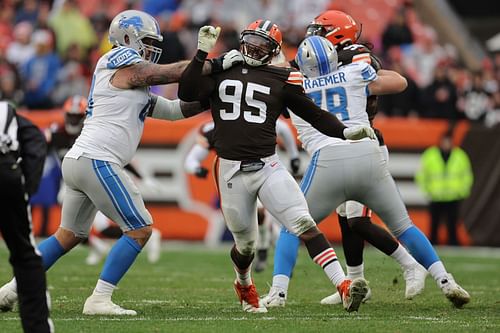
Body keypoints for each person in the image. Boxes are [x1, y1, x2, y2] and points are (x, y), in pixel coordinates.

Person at [0, 9, 238, 316]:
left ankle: (10, 290)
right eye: (148, 41)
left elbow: (176, 110)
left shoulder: (133, 83)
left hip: (81, 160)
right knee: (139, 229)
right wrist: (213, 64)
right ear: (127, 38)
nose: (152, 48)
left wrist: (215, 95)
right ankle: (99, 298)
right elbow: (162, 74)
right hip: (97, 159)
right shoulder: (118, 60)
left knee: (67, 236)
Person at [178, 21, 376, 313]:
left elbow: (315, 114)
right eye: (251, 41)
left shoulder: (283, 77)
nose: (254, 48)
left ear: (273, 51)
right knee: (246, 246)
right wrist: (203, 55)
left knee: (303, 222)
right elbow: (187, 91)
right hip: (231, 169)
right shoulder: (223, 68)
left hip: (267, 165)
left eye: (262, 44)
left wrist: (345, 132)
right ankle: (244, 283)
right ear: (242, 40)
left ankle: (344, 285)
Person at [268, 35, 470, 310]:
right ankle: (446, 281)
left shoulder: (295, 83)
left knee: (293, 228)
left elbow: (276, 87)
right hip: (368, 154)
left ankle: (278, 294)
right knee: (404, 226)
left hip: (328, 160)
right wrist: (354, 55)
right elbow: (392, 81)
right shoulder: (355, 70)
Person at [49, 95, 162, 265]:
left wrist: (143, 178)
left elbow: (115, 157)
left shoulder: (92, 132)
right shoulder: (56, 133)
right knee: (70, 225)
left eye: (77, 116)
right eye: (71, 116)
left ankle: (144, 237)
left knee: (95, 226)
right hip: (72, 181)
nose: (73, 120)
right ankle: (97, 247)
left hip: (95, 179)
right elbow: (38, 149)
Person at [184, 118, 301, 271]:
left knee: (263, 215)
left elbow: (283, 128)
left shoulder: (257, 115)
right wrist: (196, 169)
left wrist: (294, 155)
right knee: (245, 226)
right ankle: (268, 255)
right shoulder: (214, 128)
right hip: (234, 182)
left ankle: (272, 258)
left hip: (265, 173)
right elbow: (191, 159)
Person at [0, 101, 53, 332]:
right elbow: (36, 141)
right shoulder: (5, 110)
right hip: (5, 171)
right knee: (25, 255)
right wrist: (26, 188)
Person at [415, 130, 473, 246]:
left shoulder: (459, 155)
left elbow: (467, 175)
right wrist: (427, 190)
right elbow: (421, 174)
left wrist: (462, 191)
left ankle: (453, 244)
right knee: (434, 224)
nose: (446, 144)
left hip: (453, 196)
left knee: (452, 223)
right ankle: (433, 244)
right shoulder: (430, 155)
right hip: (436, 195)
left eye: (449, 141)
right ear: (440, 142)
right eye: (445, 141)